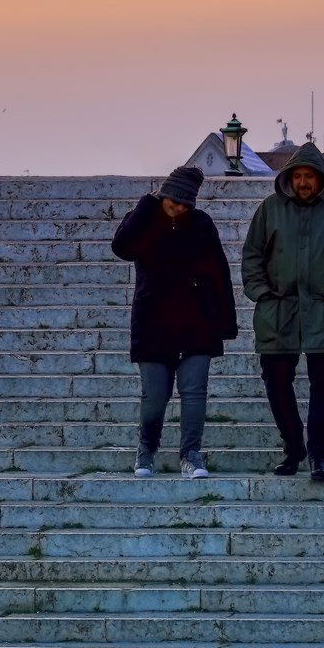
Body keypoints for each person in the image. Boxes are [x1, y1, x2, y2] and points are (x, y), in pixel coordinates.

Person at [239, 143, 324, 483]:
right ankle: (293, 447)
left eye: (310, 176)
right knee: (276, 382)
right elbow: (252, 255)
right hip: (279, 310)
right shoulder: (270, 209)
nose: (303, 182)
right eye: (298, 176)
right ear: (289, 178)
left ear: (321, 178)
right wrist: (262, 294)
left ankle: (319, 454)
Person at [111, 164, 239, 477]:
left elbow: (220, 272)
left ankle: (191, 455)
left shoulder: (201, 223)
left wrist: (224, 323)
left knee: (194, 391)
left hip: (197, 321)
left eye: (186, 203)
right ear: (163, 194)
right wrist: (148, 204)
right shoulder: (144, 219)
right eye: (174, 200)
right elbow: (122, 247)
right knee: (154, 395)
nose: (179, 207)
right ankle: (146, 451)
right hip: (153, 321)